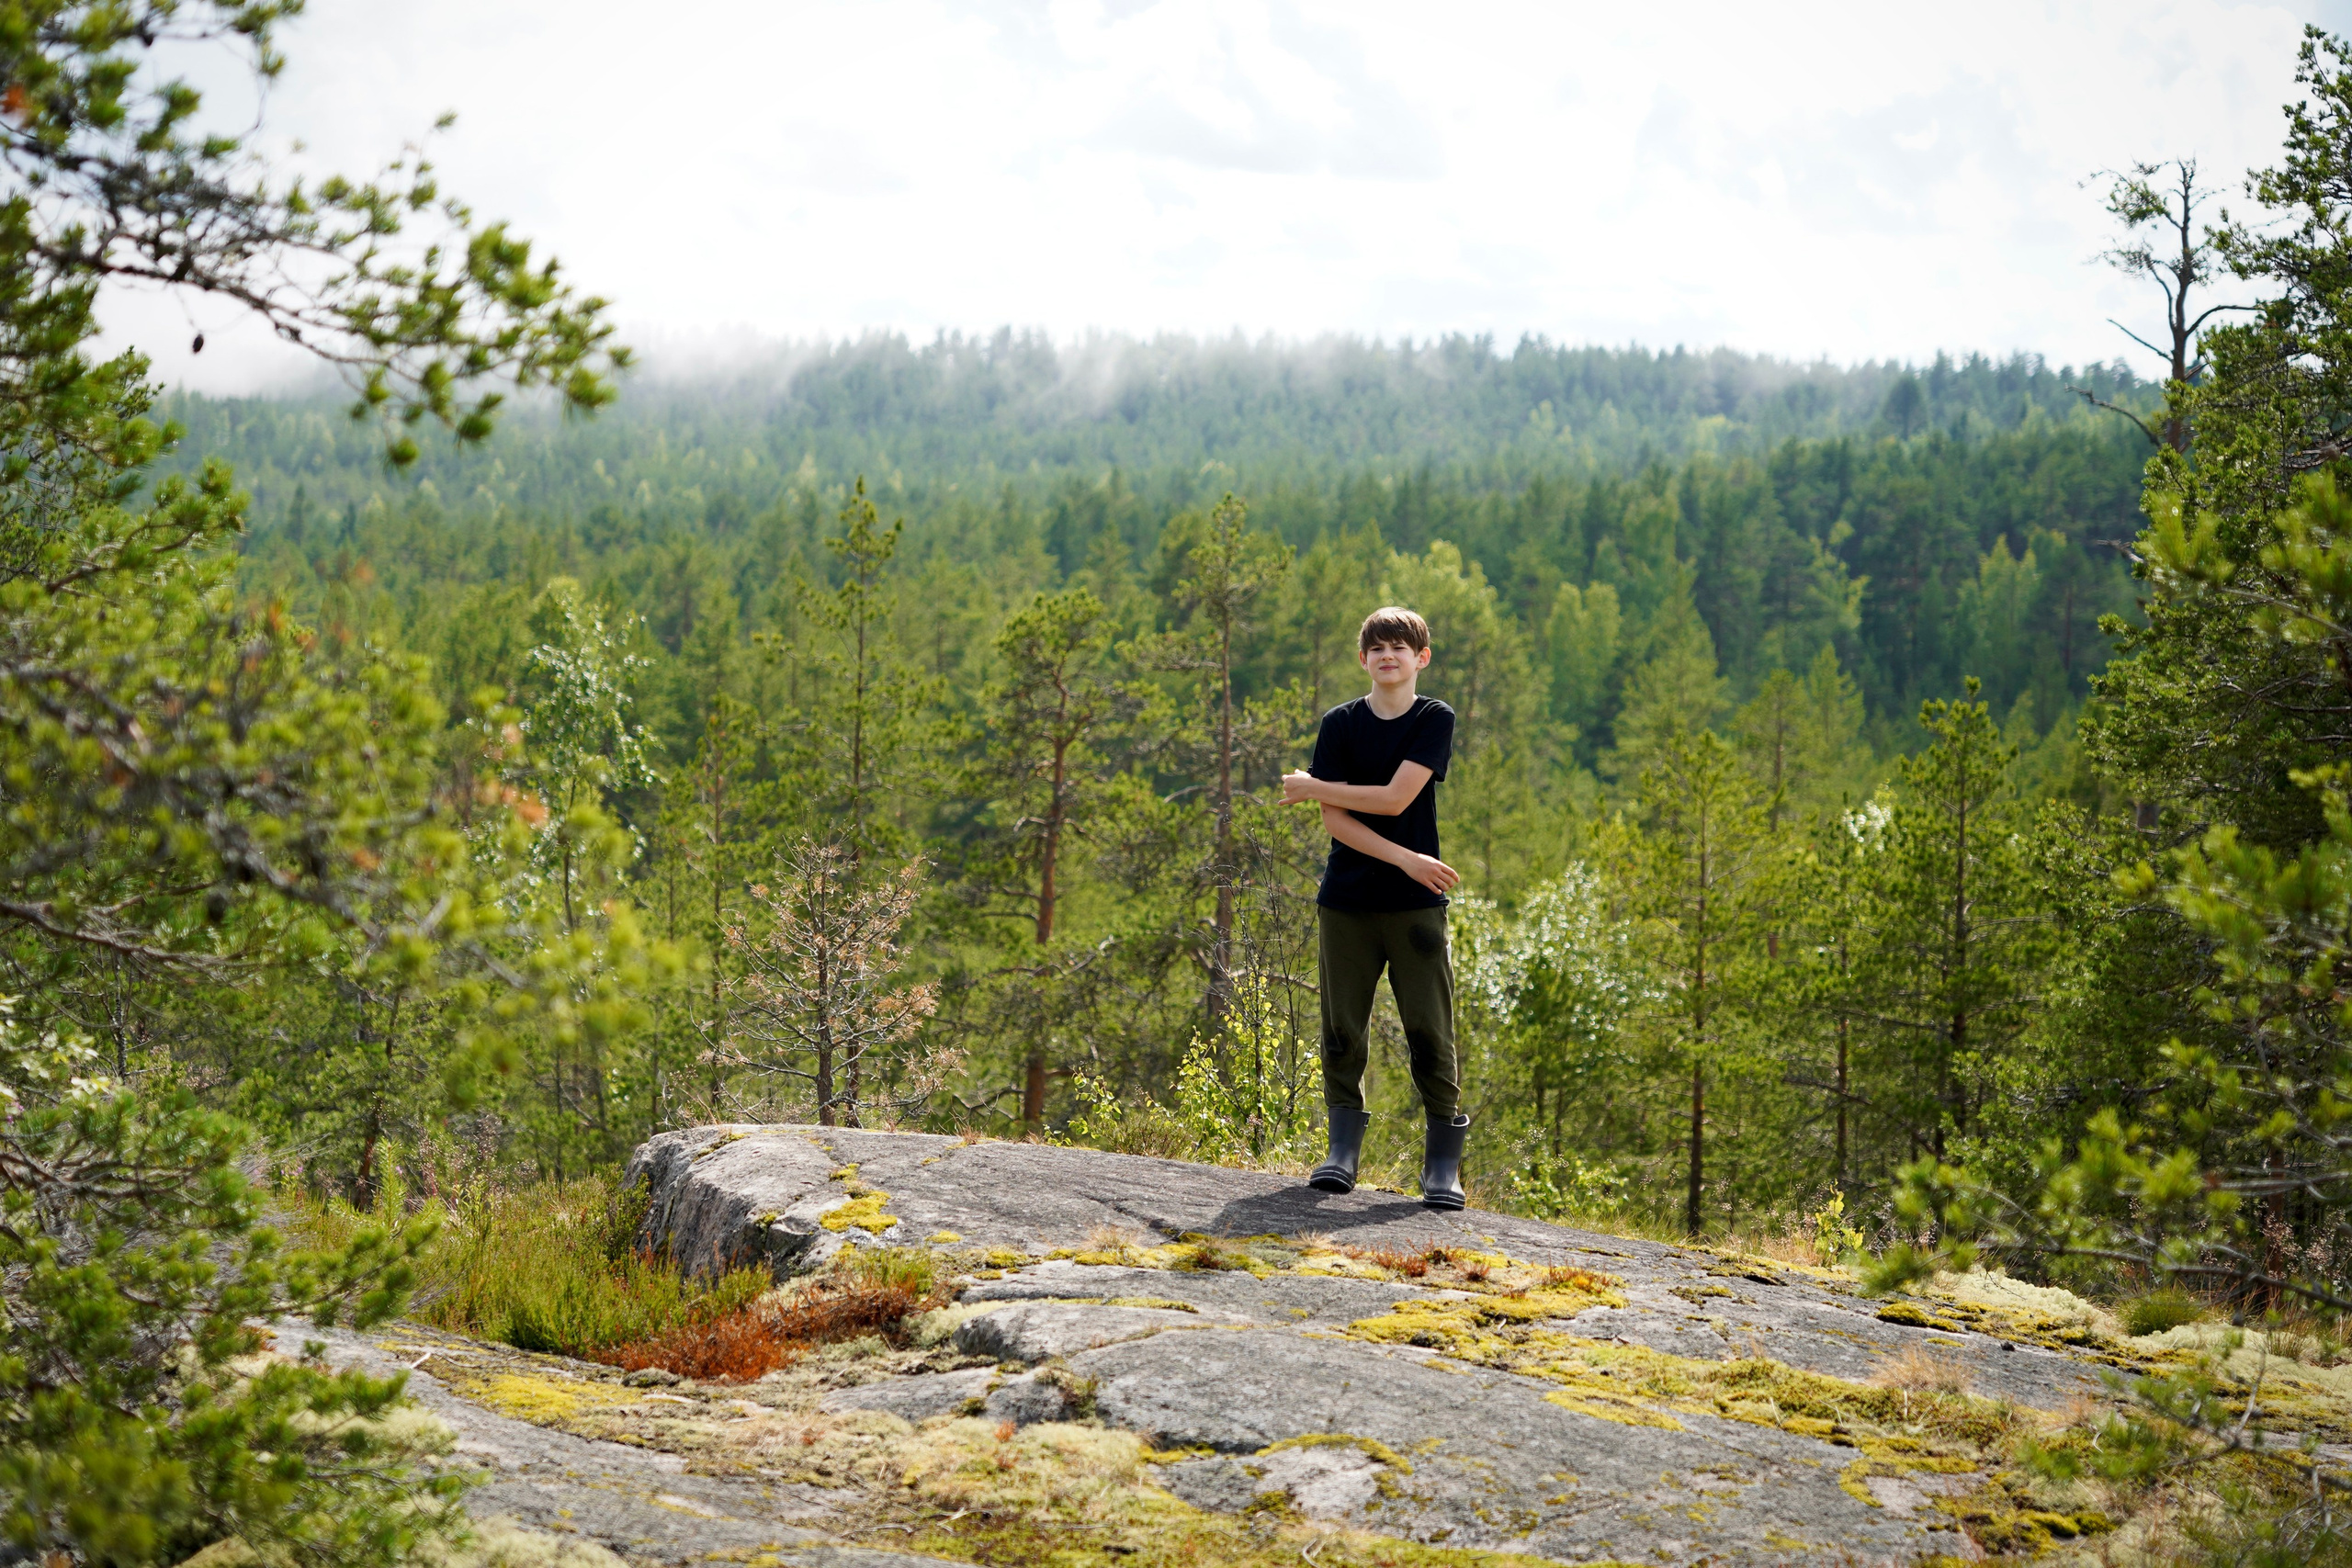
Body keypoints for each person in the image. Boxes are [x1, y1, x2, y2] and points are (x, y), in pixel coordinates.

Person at [1279, 605, 1468, 1209]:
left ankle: (1442, 1167)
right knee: (1340, 1031)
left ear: (1421, 658)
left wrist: (1310, 786)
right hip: (1347, 904)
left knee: (1429, 1031)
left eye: (1401, 647)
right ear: (1363, 658)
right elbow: (1337, 822)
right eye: (1378, 647)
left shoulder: (1433, 718)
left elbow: (1391, 799)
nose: (1389, 656)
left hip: (1415, 905)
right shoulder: (1339, 724)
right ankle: (1342, 1154)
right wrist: (1401, 853)